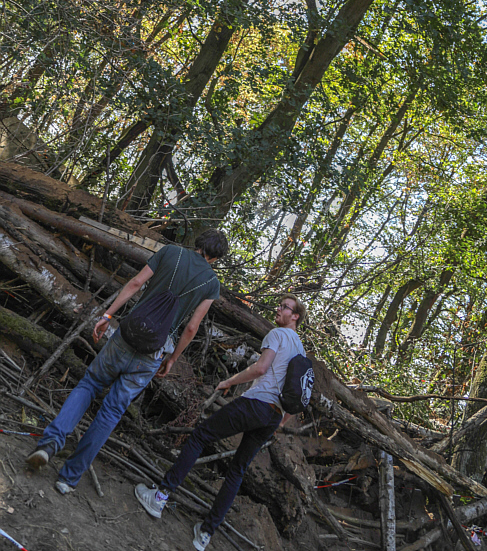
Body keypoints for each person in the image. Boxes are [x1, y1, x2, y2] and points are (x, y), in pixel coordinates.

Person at [26, 229, 228, 493]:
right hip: (152, 354)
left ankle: (49, 444)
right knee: (111, 411)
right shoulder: (211, 283)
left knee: (89, 385)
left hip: (126, 337)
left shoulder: (170, 252)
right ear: (216, 258)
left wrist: (107, 316)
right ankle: (68, 478)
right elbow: (191, 328)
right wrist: (172, 359)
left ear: (198, 244)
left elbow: (135, 284)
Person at [135, 293, 307, 551]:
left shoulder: (277, 334)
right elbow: (301, 393)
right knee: (238, 470)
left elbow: (261, 368)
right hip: (273, 416)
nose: (279, 309)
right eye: (280, 305)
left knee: (200, 436)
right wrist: (282, 421)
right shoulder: (301, 350)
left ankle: (160, 497)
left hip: (256, 403)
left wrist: (229, 381)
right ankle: (205, 534)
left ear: (295, 316)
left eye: (285, 307)